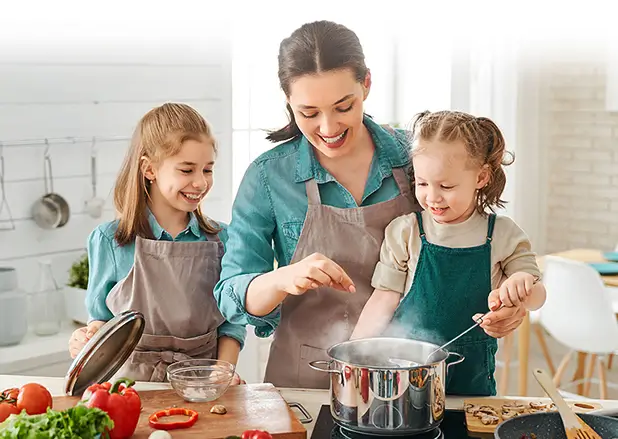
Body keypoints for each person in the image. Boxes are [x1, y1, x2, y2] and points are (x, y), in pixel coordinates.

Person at [214, 20, 422, 389]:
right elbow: (231, 294)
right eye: (308, 113)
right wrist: (283, 278)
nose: (328, 127)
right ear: (289, 103)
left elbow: (469, 246)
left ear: (367, 84)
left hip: (408, 370)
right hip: (307, 380)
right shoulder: (268, 177)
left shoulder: (415, 158)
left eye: (343, 106)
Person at [350, 110, 547, 396]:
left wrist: (522, 287)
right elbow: (383, 299)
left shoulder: (503, 234)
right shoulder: (404, 231)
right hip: (407, 370)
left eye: (446, 186)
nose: (432, 196)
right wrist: (355, 353)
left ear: (481, 177)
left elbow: (537, 296)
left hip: (473, 376)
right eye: (422, 183)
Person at [68, 103, 246, 383]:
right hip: (128, 387)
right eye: (187, 170)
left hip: (202, 383)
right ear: (149, 169)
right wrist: (85, 339)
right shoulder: (109, 241)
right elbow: (100, 320)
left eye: (207, 170)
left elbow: (233, 323)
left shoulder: (223, 239)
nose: (200, 182)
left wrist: (222, 372)